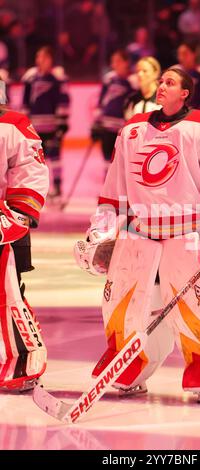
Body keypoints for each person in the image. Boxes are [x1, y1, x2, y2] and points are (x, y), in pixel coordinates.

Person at [75, 67, 200, 402]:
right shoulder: (132, 128)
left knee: (192, 305)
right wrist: (101, 229)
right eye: (161, 81)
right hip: (138, 229)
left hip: (184, 232)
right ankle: (129, 366)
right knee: (121, 303)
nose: (161, 86)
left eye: (170, 82)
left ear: (185, 93)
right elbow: (115, 186)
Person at [0, 77, 49, 392]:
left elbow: (30, 168)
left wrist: (19, 213)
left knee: (7, 295)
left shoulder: (12, 125)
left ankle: (24, 361)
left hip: (2, 225)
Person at [21, 46, 70, 202]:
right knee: (35, 158)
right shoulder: (31, 78)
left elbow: (63, 101)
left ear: (49, 60)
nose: (38, 61)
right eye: (37, 57)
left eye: (42, 57)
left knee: (55, 157)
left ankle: (57, 187)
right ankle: (36, 188)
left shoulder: (57, 79)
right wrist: (23, 122)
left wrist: (62, 123)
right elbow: (25, 102)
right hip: (34, 126)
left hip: (51, 125)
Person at [90, 49, 134, 181]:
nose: (114, 65)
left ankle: (121, 190)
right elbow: (101, 102)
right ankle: (107, 188)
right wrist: (97, 122)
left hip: (123, 128)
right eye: (113, 62)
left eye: (118, 61)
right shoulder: (109, 79)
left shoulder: (133, 81)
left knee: (122, 160)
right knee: (106, 158)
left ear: (126, 63)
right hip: (106, 126)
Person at [177, 40, 200, 110]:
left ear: (194, 54)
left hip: (199, 111)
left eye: (185, 54)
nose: (181, 58)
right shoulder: (175, 71)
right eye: (179, 54)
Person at [124, 56, 161, 120]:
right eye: (137, 71)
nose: (140, 74)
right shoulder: (132, 99)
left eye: (144, 71)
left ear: (156, 73)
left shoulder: (162, 98)